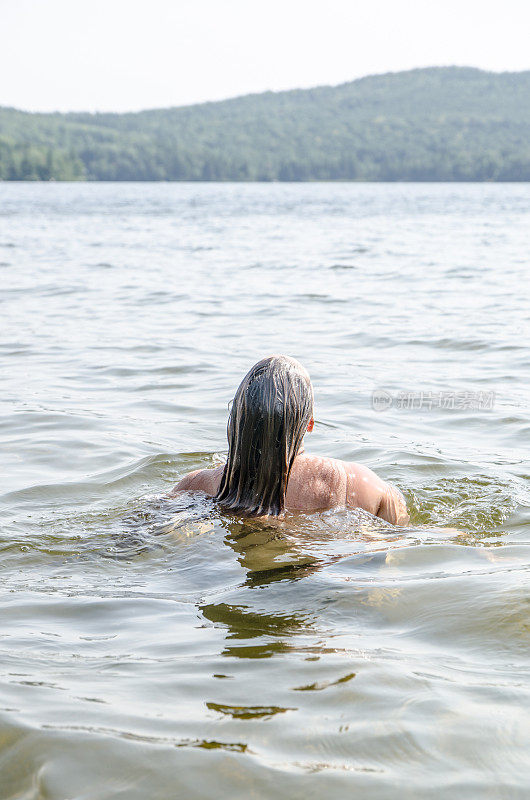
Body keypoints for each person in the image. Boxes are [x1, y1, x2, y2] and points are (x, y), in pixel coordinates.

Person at [170, 355, 409, 524]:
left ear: (239, 420)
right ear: (309, 424)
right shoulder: (363, 485)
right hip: (328, 584)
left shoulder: (197, 486)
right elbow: (401, 547)